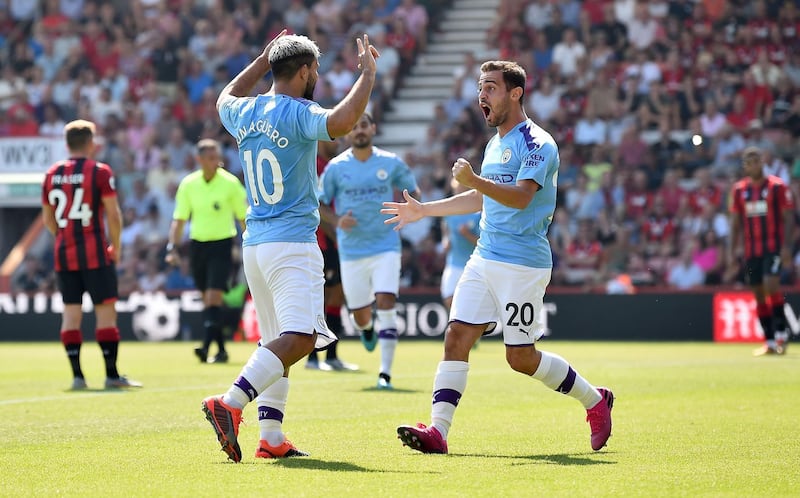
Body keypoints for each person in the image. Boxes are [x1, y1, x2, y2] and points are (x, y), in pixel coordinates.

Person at [382, 60, 614, 454]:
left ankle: (595, 401)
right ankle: (438, 433)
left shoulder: (539, 143)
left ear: (515, 93)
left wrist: (474, 179)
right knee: (456, 336)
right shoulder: (495, 143)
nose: (481, 96)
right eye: (480, 87)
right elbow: (480, 196)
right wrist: (426, 209)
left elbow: (522, 198)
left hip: (523, 264)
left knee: (520, 358)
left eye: (490, 88)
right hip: (484, 256)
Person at [201, 30, 379, 463]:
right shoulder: (299, 111)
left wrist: (262, 59)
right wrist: (369, 76)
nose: (316, 74)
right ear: (303, 71)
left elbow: (225, 94)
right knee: (300, 338)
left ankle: (272, 436)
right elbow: (338, 124)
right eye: (314, 69)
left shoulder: (244, 111)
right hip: (292, 244)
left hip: (256, 246)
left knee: (275, 342)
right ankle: (229, 402)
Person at [318, 111, 420, 389]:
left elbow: (414, 193)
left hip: (386, 245)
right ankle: (366, 329)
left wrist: (408, 209)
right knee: (361, 314)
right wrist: (338, 220)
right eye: (354, 127)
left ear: (373, 129)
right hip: (351, 251)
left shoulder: (390, 162)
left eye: (364, 125)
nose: (359, 131)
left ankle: (385, 374)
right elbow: (320, 203)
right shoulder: (336, 168)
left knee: (386, 302)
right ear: (348, 134)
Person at [40, 119, 141, 390]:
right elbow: (113, 214)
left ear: (67, 143)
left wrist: (63, 237)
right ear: (90, 142)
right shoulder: (99, 171)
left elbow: (48, 219)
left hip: (64, 256)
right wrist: (116, 247)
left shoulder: (52, 174)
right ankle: (110, 374)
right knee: (106, 314)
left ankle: (77, 377)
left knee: (70, 316)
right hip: (95, 254)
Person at [165, 138, 247, 364]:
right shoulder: (189, 184)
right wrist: (172, 247)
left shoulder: (230, 184)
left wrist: (252, 245)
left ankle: (205, 347)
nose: (216, 161)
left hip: (222, 245)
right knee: (208, 300)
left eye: (217, 156)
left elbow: (243, 218)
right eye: (210, 158)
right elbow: (179, 220)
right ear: (199, 160)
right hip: (198, 247)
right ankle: (220, 350)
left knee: (213, 296)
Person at [728, 146, 795, 356]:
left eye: (756, 160)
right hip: (751, 251)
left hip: (773, 247)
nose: (753, 164)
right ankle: (769, 341)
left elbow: (790, 218)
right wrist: (732, 250)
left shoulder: (777, 186)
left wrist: (786, 247)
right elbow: (735, 223)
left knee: (770, 285)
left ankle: (782, 335)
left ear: (762, 163)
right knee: (758, 293)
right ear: (745, 166)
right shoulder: (739, 190)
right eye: (748, 162)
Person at [306, 138, 359, 372]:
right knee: (321, 298)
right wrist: (336, 235)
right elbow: (318, 205)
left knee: (337, 295)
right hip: (323, 240)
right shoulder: (315, 164)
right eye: (333, 137)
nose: (338, 141)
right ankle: (312, 358)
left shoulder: (335, 164)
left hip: (338, 240)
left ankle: (332, 355)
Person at [440, 178, 480, 311]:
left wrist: (467, 234)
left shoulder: (477, 215)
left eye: (462, 190)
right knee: (448, 297)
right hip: (453, 263)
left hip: (473, 265)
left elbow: (482, 242)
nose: (459, 193)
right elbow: (446, 229)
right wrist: (446, 240)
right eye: (457, 190)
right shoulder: (449, 213)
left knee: (472, 302)